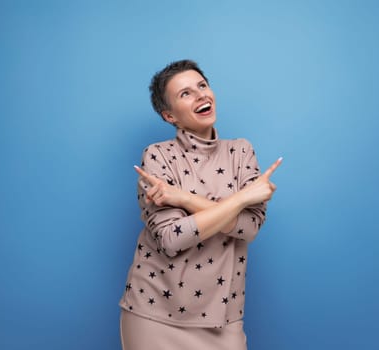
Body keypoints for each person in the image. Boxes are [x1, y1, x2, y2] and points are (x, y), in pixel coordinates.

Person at [119, 59, 282, 350]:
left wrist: (182, 198)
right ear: (169, 116)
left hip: (224, 317)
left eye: (202, 86)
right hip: (154, 312)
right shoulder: (157, 156)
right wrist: (242, 198)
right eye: (186, 93)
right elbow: (171, 239)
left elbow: (248, 228)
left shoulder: (241, 151)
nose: (201, 95)